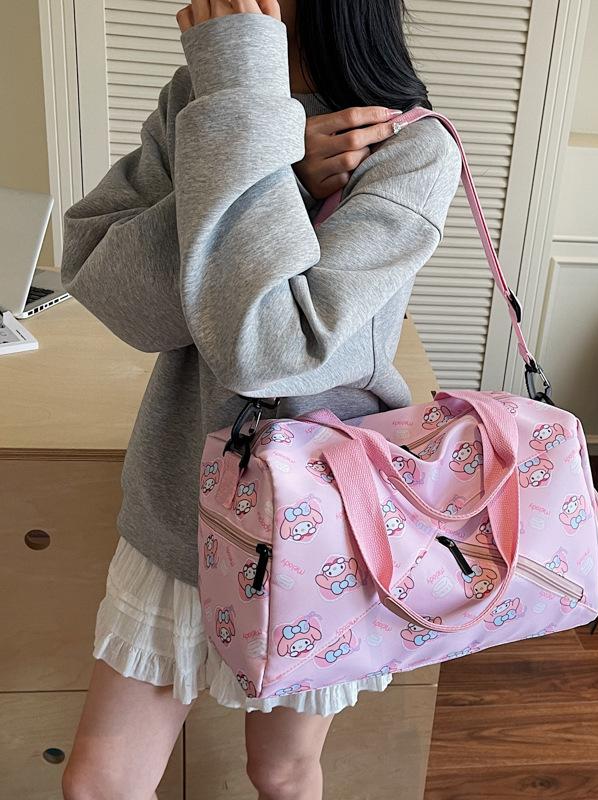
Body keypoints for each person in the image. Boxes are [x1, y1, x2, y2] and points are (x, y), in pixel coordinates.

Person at [59, 1, 462, 798]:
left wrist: (253, 149)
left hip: (318, 530)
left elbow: (271, 350)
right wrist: (270, 157)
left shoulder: (413, 146)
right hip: (178, 515)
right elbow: (118, 296)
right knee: (98, 783)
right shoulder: (205, 95)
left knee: (280, 771)